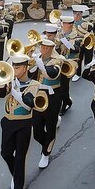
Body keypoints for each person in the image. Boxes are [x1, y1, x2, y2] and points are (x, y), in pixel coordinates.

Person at [0, 54, 45, 189]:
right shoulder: (10, 80)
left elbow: (29, 103)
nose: (14, 70)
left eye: (17, 67)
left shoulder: (34, 84)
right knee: (6, 153)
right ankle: (16, 174)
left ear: (25, 67)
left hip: (24, 124)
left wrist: (14, 89)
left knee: (20, 157)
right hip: (7, 122)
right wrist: (3, 84)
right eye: (13, 67)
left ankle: (17, 188)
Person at [30, 38, 63, 169]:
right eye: (41, 47)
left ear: (49, 49)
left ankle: (46, 152)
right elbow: (30, 73)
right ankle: (47, 143)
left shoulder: (58, 59)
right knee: (37, 129)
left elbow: (52, 75)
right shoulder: (39, 57)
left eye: (43, 48)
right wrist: (31, 64)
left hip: (53, 96)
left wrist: (40, 64)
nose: (41, 50)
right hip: (38, 94)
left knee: (50, 126)